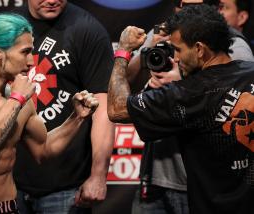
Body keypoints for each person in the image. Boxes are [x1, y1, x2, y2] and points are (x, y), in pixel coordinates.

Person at [0, 13, 99, 214]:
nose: (31, 62)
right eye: (25, 52)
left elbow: (44, 150)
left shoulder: (21, 101)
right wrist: (17, 99)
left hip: (8, 208)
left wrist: (76, 118)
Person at [108, 4, 254, 214]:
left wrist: (123, 52)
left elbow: (116, 108)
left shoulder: (189, 94)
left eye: (177, 50)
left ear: (199, 49)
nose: (174, 58)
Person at [13, 0, 115, 213]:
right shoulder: (6, 28)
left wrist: (98, 175)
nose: (52, 0)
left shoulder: (88, 30)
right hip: (8, 184)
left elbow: (103, 108)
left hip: (66, 187)